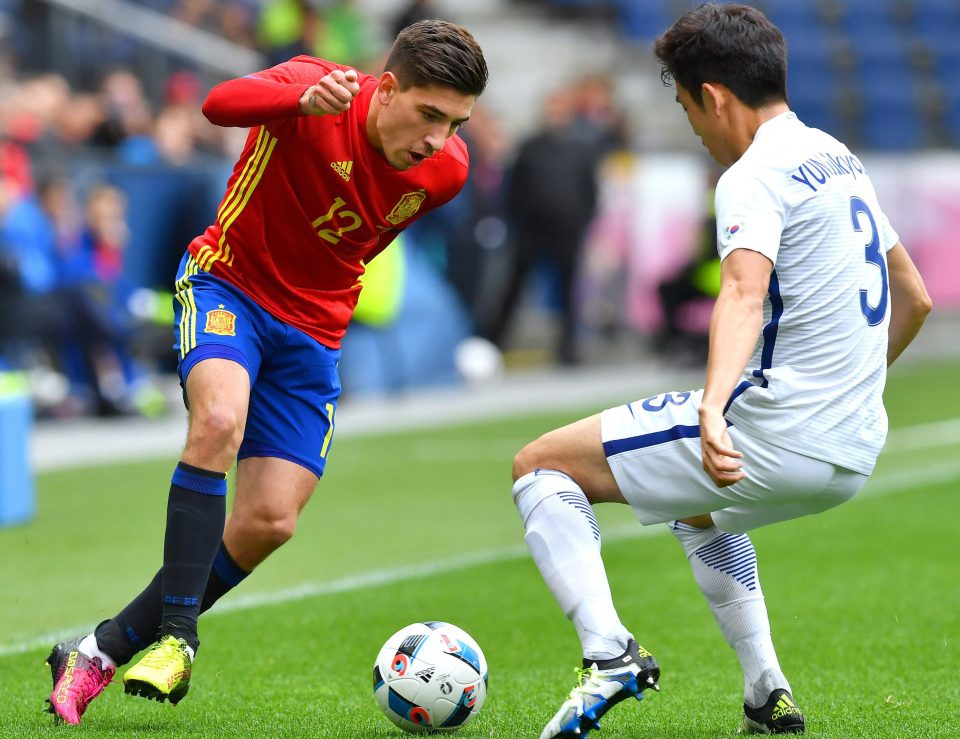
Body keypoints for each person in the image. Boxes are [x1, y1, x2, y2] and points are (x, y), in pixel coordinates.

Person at [44, 19, 487, 725]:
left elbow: (357, 240)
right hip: (230, 286)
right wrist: (299, 104)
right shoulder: (315, 86)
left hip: (313, 333)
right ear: (388, 87)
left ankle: (96, 652)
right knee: (219, 419)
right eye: (430, 114)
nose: (438, 138)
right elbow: (218, 105)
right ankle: (178, 637)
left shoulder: (447, 171)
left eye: (456, 123)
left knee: (270, 519)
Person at [510, 4, 931, 738]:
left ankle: (608, 653)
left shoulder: (752, 174)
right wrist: (852, 390)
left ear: (714, 96)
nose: (697, 132)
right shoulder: (838, 155)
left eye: (685, 106)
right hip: (855, 449)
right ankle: (767, 691)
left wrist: (711, 409)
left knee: (540, 467)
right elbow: (916, 297)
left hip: (776, 432)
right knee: (693, 503)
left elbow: (739, 289)